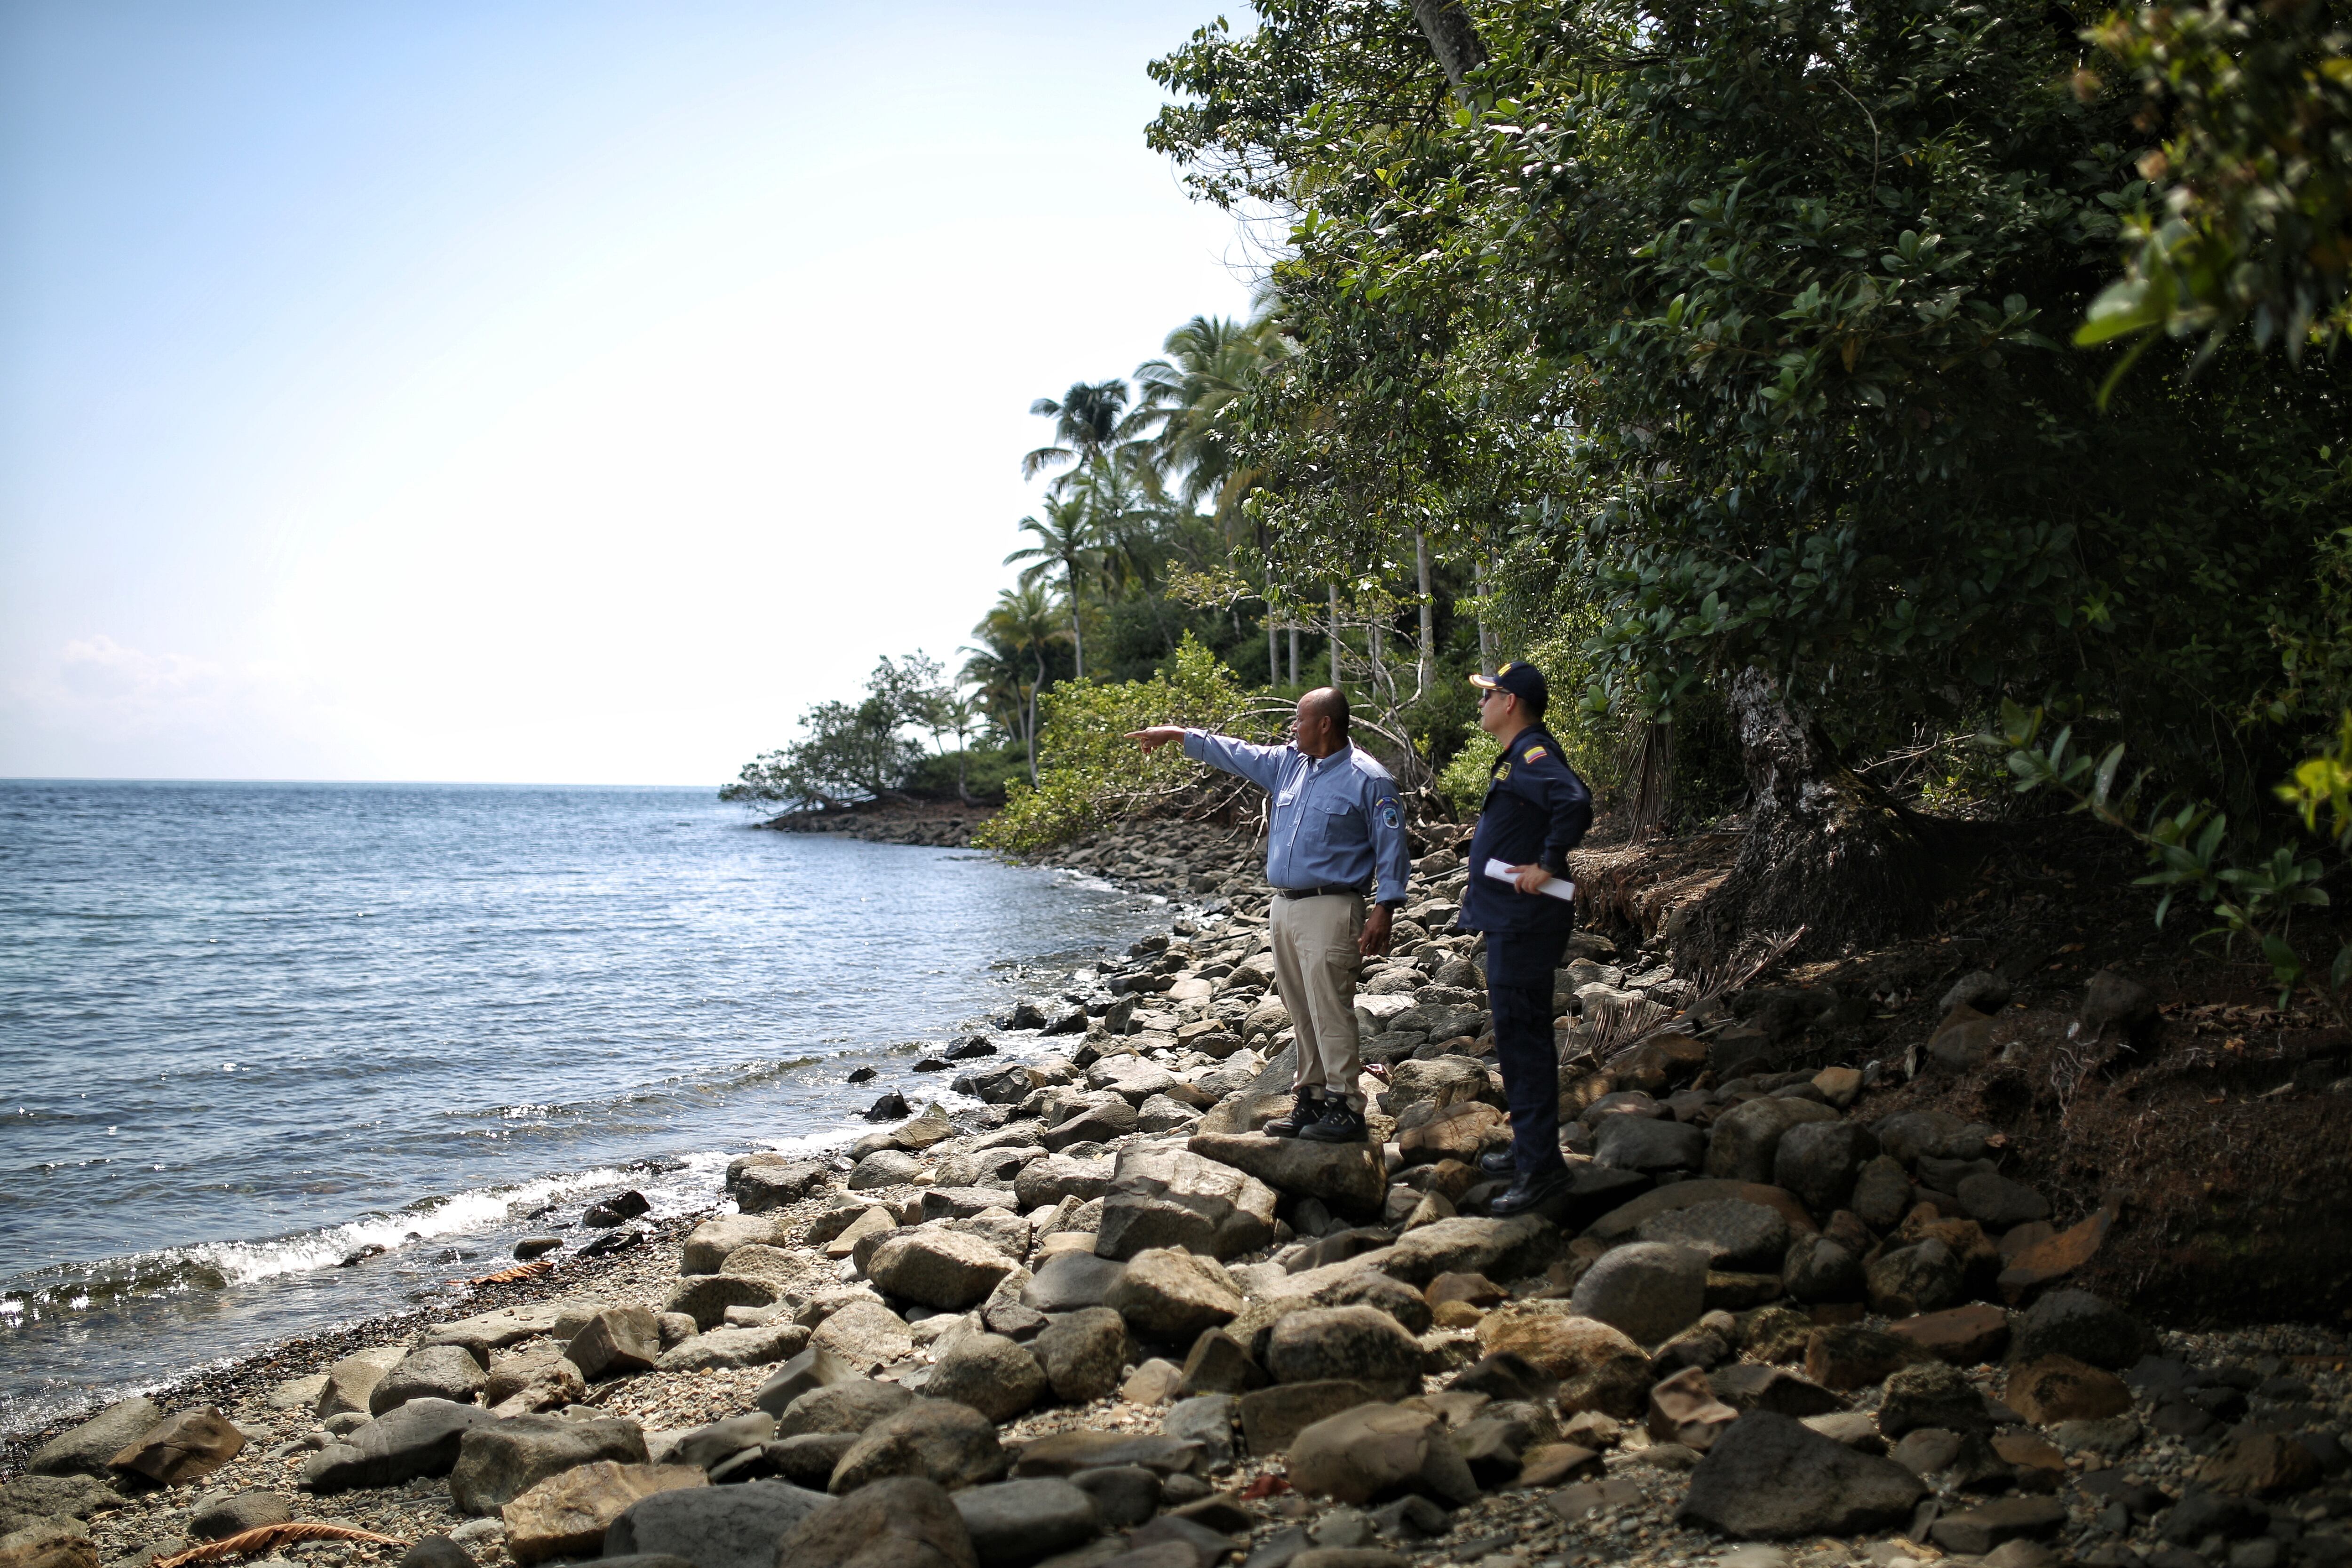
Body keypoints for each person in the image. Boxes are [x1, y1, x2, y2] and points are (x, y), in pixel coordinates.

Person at [1127, 688, 1410, 1143]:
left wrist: (1385, 909)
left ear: (1324, 725)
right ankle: (1311, 1098)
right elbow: (1235, 753)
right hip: (1284, 905)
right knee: (1299, 1010)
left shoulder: (1369, 779)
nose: (1291, 728)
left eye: (1299, 720)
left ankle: (1345, 1106)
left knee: (1330, 1009)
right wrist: (1179, 735)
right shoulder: (1288, 764)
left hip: (1333, 905)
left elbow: (1392, 847)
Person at [1459, 660, 1594, 1216]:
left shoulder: (1534, 755)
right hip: (1511, 919)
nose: (1481, 704)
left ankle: (1541, 1170)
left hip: (1524, 921)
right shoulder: (1520, 756)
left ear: (1509, 702)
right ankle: (1527, 1149)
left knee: (1522, 1038)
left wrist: (1548, 862)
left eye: (1488, 695)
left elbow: (1575, 801)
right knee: (1517, 1037)